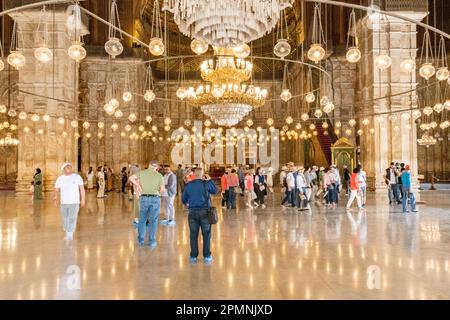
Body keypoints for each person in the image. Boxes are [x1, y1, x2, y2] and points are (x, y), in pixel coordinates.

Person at [182, 168, 217, 265]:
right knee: (206, 234)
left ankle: (193, 256)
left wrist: (187, 203)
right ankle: (207, 256)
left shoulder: (189, 185)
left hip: (193, 212)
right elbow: (215, 191)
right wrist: (209, 180)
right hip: (205, 212)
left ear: (193, 174)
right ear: (203, 175)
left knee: (193, 235)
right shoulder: (206, 183)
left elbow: (183, 199)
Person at [129, 160, 165, 248]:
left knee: (142, 220)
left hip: (144, 198)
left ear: (149, 165)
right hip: (155, 199)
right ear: (157, 167)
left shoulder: (142, 173)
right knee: (153, 221)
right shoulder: (159, 175)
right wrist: (158, 191)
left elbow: (131, 178)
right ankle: (152, 241)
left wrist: (138, 185)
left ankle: (141, 240)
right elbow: (162, 189)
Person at [53, 163, 85, 241]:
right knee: (65, 218)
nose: (68, 168)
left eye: (69, 167)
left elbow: (81, 189)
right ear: (63, 169)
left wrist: (83, 199)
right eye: (66, 167)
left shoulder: (77, 177)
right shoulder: (60, 178)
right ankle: (67, 231)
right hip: (64, 202)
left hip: (74, 202)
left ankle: (70, 234)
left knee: (72, 218)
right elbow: (56, 190)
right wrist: (55, 198)